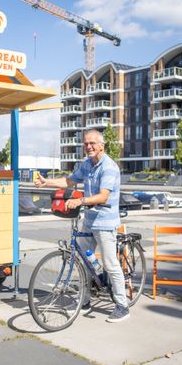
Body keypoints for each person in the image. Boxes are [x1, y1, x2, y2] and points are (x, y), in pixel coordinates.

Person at [34, 129, 129, 323]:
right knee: (84, 259)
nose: (89, 147)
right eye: (86, 144)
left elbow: (103, 196)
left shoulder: (109, 167)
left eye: (92, 143)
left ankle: (122, 306)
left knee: (111, 264)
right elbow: (69, 180)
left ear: (102, 145)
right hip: (89, 220)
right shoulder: (87, 164)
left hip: (105, 221)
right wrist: (47, 182)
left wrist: (80, 201)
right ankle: (85, 299)